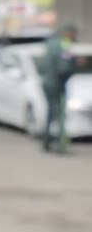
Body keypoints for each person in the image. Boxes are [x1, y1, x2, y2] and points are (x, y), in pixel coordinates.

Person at [40, 24, 84, 154]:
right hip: (57, 83)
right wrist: (76, 64)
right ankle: (61, 146)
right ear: (68, 33)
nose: (75, 37)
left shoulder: (50, 44)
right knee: (61, 115)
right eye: (74, 34)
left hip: (47, 82)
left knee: (50, 113)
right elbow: (63, 68)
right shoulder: (64, 45)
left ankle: (46, 141)